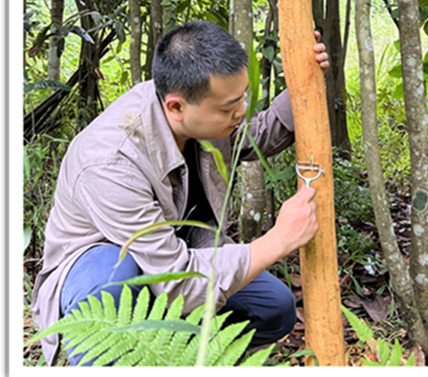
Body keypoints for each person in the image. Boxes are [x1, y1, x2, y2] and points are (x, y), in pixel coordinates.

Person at [30, 20, 329, 365]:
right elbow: (176, 281)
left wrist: (302, 84)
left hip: (179, 252)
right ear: (175, 107)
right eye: (229, 107)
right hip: (105, 266)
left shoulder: (196, 107)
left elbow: (252, 136)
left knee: (273, 307)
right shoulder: (108, 161)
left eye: (242, 97)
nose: (241, 111)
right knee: (112, 281)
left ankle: (184, 357)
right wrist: (279, 240)